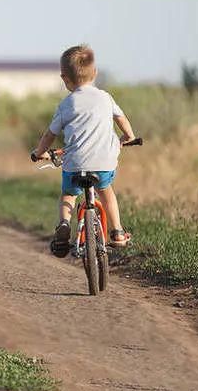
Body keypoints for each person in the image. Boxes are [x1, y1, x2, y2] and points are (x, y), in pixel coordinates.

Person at [31, 44, 135, 257]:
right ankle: (117, 231)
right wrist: (129, 136)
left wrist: (39, 152)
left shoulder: (67, 104)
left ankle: (64, 224)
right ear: (94, 73)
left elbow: (49, 135)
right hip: (104, 162)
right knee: (106, 191)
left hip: (75, 164)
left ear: (64, 78)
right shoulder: (105, 97)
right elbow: (120, 118)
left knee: (68, 194)